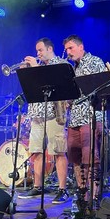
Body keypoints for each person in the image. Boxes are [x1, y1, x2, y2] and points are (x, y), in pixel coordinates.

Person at [18, 37, 70, 204]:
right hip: (36, 115)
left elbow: (55, 83)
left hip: (54, 114)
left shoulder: (60, 64)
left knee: (58, 152)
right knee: (36, 152)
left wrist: (36, 68)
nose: (38, 53)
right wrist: (26, 73)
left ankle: (63, 189)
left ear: (49, 49)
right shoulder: (37, 67)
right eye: (37, 51)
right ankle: (38, 186)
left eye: (40, 50)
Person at [63, 34, 107, 201]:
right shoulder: (72, 68)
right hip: (74, 118)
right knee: (74, 155)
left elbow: (103, 86)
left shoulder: (95, 61)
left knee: (90, 157)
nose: (68, 52)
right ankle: (82, 192)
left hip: (91, 116)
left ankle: (94, 194)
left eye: (71, 48)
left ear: (81, 47)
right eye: (66, 49)